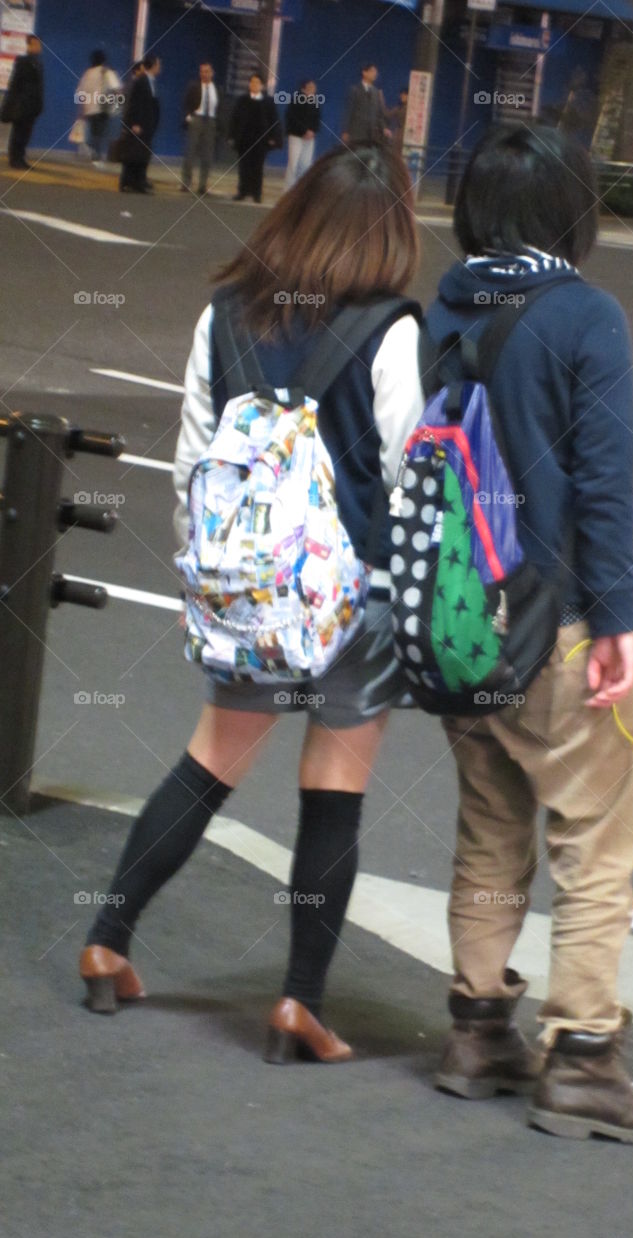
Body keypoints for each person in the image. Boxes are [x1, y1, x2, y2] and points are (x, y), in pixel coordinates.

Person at [78, 143, 423, 1065]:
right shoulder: (391, 331)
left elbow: (194, 465)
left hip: (246, 597)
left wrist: (216, 580)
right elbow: (405, 475)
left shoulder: (223, 315)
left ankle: (108, 939)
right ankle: (297, 1006)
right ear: (386, 233)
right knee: (333, 791)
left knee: (206, 764)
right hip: (351, 604)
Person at [425, 125, 633, 1145]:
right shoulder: (585, 313)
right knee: (596, 841)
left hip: (456, 624)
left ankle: (477, 1031)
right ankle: (582, 1056)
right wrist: (616, 622)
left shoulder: (444, 306)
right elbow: (603, 484)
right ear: (573, 209)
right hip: (557, 621)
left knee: (489, 829)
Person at [230, 72, 281, 203]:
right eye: (252, 82)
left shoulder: (268, 101)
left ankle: (256, 194)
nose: (254, 85)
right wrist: (232, 136)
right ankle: (242, 191)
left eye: (257, 83)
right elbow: (234, 119)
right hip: (244, 139)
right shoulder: (242, 100)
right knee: (243, 167)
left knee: (258, 168)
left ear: (262, 86)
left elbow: (274, 120)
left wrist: (273, 137)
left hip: (261, 140)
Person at [118, 53, 160, 193]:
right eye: (158, 65)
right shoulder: (142, 81)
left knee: (141, 154)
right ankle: (131, 182)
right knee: (135, 154)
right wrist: (133, 123)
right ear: (153, 66)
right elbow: (135, 104)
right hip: (139, 125)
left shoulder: (149, 81)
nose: (159, 67)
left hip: (147, 125)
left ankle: (136, 182)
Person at [2, 34, 44, 170]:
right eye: (35, 44)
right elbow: (15, 83)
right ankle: (15, 159)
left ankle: (21, 157)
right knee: (18, 132)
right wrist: (12, 102)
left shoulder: (38, 63)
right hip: (22, 104)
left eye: (39, 45)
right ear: (29, 46)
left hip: (32, 105)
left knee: (26, 133)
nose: (38, 47)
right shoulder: (22, 61)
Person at [180, 61, 220, 196]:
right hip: (196, 119)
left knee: (207, 155)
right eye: (202, 71)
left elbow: (219, 107)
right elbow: (186, 103)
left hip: (210, 122)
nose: (204, 74)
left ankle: (203, 185)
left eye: (207, 71)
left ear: (212, 73)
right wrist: (188, 117)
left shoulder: (217, 88)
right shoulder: (194, 87)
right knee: (190, 152)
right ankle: (186, 183)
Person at [75, 50, 122, 162]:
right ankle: (96, 154)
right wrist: (118, 104)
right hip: (102, 107)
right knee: (100, 132)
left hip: (89, 108)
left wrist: (81, 108)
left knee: (93, 131)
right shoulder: (106, 72)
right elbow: (117, 89)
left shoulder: (87, 73)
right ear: (104, 60)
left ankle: (94, 153)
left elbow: (80, 92)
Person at [284, 79, 320, 189]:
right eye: (311, 86)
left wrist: (313, 131)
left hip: (310, 139)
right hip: (296, 136)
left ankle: (301, 189)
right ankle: (288, 190)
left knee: (306, 164)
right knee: (293, 164)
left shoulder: (315, 101)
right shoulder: (296, 99)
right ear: (304, 88)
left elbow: (317, 119)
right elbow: (292, 118)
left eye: (314, 87)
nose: (314, 88)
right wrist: (304, 131)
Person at [341, 63, 388, 147]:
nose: (375, 74)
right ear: (364, 72)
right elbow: (348, 111)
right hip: (356, 133)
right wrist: (345, 131)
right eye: (372, 71)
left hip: (372, 135)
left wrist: (384, 128)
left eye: (376, 72)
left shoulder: (376, 92)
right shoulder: (354, 90)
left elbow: (379, 114)